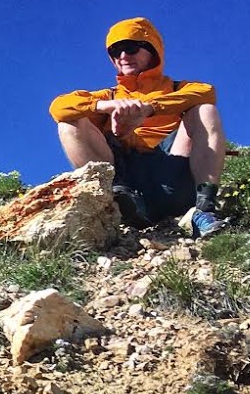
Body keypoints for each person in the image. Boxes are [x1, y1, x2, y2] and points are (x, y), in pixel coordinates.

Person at [50, 16, 227, 237]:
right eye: (116, 51)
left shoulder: (176, 88)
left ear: (153, 49)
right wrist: (106, 106)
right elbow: (59, 107)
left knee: (205, 110)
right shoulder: (110, 96)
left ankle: (204, 208)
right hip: (126, 185)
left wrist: (149, 108)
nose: (123, 56)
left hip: (173, 173)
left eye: (131, 47)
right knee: (69, 123)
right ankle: (115, 197)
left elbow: (206, 92)